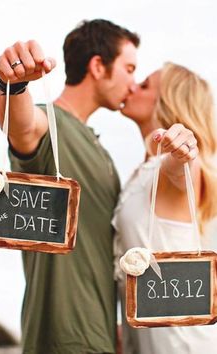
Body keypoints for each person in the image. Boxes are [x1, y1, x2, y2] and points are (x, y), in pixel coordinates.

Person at [0, 19, 140, 354]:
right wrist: (12, 86)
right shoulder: (52, 125)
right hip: (62, 339)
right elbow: (24, 127)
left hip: (99, 336)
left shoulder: (98, 148)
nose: (133, 83)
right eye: (129, 68)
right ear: (98, 66)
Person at [113, 62, 217, 354]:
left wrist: (182, 153)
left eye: (144, 85)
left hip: (184, 345)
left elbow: (180, 170)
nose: (132, 86)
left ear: (167, 101)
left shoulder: (174, 169)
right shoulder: (141, 171)